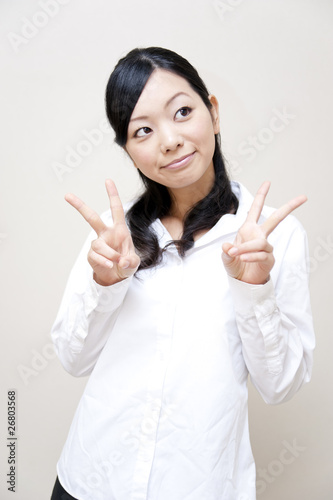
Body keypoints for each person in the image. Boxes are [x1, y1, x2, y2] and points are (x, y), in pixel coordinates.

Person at [50, 47, 315, 500]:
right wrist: (105, 284)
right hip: (90, 481)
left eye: (183, 111)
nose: (169, 140)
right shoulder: (116, 238)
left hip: (199, 486)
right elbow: (73, 359)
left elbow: (281, 386)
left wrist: (254, 288)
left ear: (213, 113)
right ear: (129, 150)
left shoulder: (274, 237)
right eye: (143, 130)